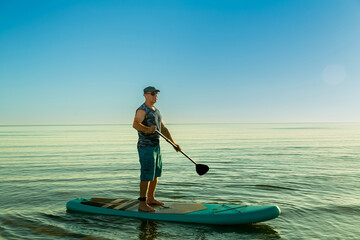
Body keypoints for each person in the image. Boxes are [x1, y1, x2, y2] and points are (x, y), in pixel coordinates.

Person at [133, 86, 181, 212]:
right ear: (145, 95)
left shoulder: (156, 111)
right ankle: (142, 204)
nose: (156, 96)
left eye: (157, 94)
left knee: (155, 174)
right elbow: (135, 124)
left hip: (156, 146)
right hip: (146, 147)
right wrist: (147, 129)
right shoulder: (142, 110)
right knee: (147, 174)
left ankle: (151, 198)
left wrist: (173, 143)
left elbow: (163, 129)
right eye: (153, 93)